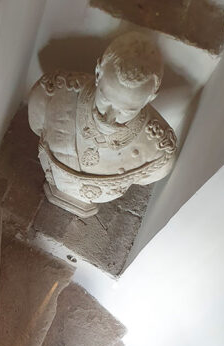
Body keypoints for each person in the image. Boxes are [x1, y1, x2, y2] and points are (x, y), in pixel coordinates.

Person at [28, 31, 177, 217]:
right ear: (98, 73)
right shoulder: (52, 92)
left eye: (126, 111)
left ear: (149, 99)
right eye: (106, 99)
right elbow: (36, 123)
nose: (109, 117)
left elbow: (153, 174)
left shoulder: (157, 150)